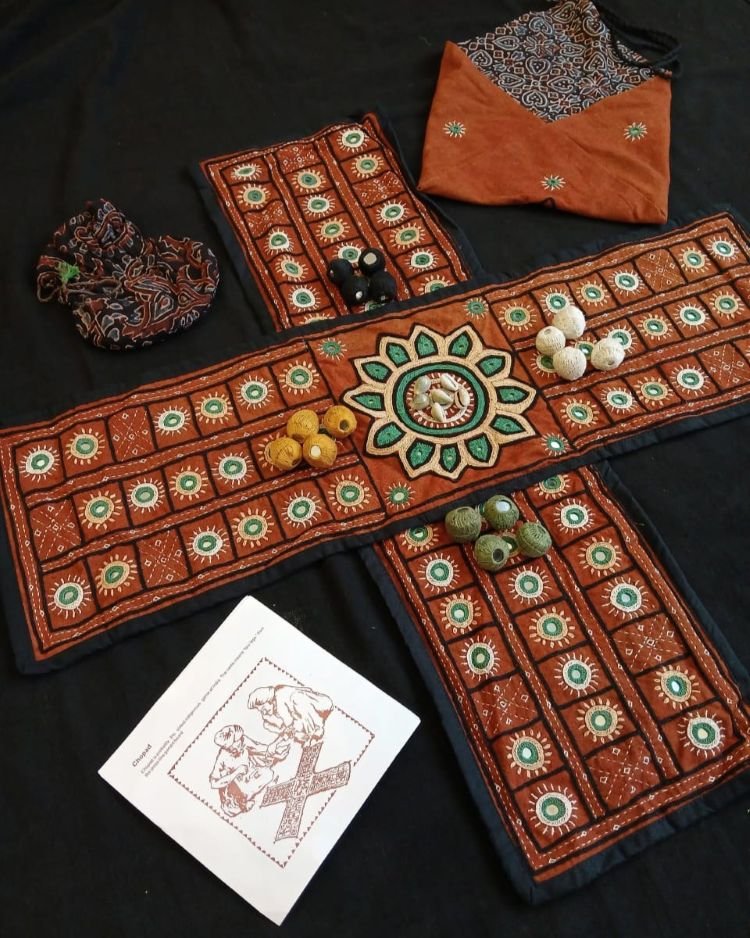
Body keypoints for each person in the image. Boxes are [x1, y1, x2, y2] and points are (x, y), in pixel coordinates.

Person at [208, 723, 290, 817]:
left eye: (241, 741)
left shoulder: (243, 740)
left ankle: (245, 800)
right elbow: (214, 783)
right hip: (235, 788)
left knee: (268, 774)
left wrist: (277, 749)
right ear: (228, 747)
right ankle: (242, 803)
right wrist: (236, 773)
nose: (241, 745)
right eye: (237, 744)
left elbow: (258, 748)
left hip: (249, 774)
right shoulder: (223, 757)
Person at [247, 684, 333, 745]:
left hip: (321, 706)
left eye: (263, 708)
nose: (263, 712)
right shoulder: (274, 708)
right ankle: (311, 735)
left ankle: (315, 731)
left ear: (267, 699)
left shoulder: (280, 696)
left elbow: (288, 721)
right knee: (268, 725)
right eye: (260, 711)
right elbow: (289, 726)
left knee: (297, 700)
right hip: (304, 716)